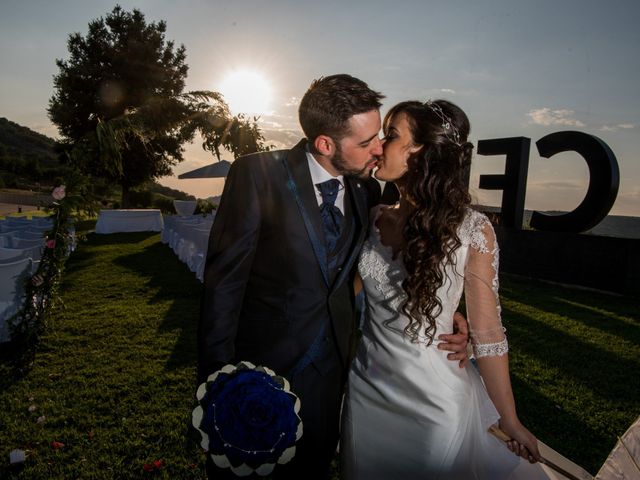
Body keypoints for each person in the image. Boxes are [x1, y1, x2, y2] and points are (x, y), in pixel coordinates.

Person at [198, 75, 469, 479]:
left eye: (380, 136)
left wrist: (454, 316)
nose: (379, 149)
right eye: (366, 143)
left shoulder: (369, 191)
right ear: (325, 144)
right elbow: (224, 285)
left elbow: (403, 262)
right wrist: (218, 385)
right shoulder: (257, 175)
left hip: (334, 377)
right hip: (258, 375)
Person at [341, 100, 551, 479]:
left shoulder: (471, 230)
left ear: (420, 151)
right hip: (365, 393)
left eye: (390, 135)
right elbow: (344, 298)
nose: (378, 145)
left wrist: (510, 419)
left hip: (434, 404)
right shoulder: (372, 217)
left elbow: (489, 335)